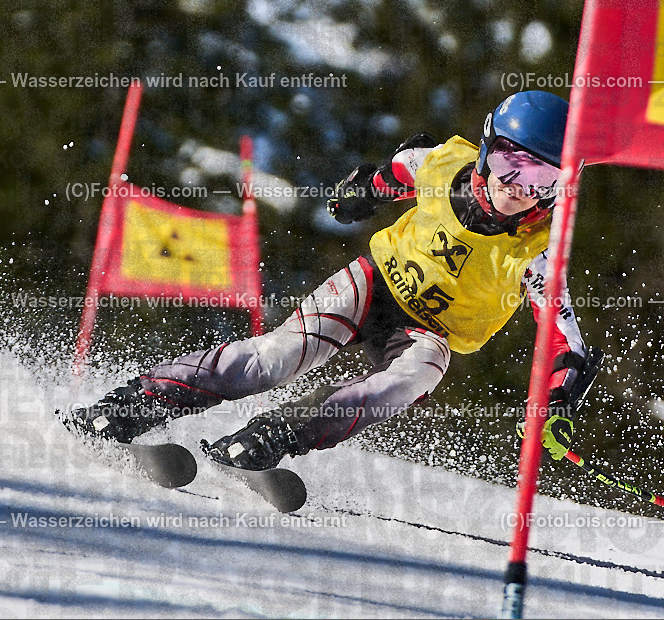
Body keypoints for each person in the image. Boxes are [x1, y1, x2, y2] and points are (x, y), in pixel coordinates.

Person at [64, 90, 603, 470]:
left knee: (409, 381)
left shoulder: (537, 253)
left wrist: (554, 405)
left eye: (543, 179)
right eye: (512, 165)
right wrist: (360, 192)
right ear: (487, 150)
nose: (520, 189)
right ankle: (131, 405)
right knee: (276, 359)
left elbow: (566, 342)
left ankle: (274, 436)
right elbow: (396, 172)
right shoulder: (444, 166)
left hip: (429, 332)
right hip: (373, 284)